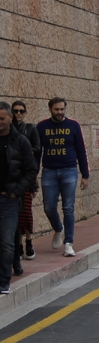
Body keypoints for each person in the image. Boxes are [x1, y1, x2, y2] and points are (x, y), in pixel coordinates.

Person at [37, 97, 90, 258]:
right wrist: (33, 174)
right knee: (48, 206)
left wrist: (85, 174)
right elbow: (37, 152)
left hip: (69, 170)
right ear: (50, 110)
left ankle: (68, 243)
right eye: (56, 109)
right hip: (49, 171)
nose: (60, 112)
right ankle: (59, 228)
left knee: (68, 207)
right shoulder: (42, 126)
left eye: (62, 109)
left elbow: (81, 150)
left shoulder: (73, 125)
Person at [0, 101, 37, 294]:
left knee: (7, 241)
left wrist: (16, 191)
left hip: (10, 200)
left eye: (2, 118)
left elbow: (31, 170)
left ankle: (4, 281)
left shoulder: (20, 141)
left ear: (10, 118)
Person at [12, 101, 41, 271]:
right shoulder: (9, 132)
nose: (18, 114)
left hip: (27, 179)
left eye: (21, 111)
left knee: (27, 212)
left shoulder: (30, 129)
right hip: (13, 180)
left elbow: (37, 150)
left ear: (25, 112)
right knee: (15, 216)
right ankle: (19, 245)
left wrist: (23, 148)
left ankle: (29, 241)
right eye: (15, 111)